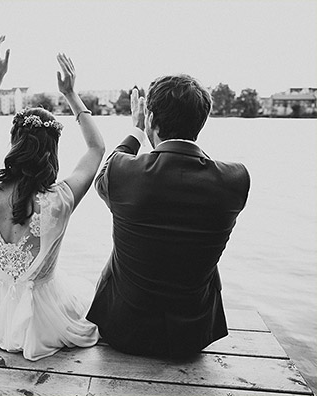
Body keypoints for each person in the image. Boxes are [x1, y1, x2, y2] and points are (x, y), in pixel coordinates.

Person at [0, 36, 106, 361]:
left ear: (14, 143)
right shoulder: (59, 200)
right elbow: (96, 149)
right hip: (44, 324)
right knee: (86, 299)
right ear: (53, 151)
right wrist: (70, 94)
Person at [86, 76, 250, 358]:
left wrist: (136, 131)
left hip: (123, 331)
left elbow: (105, 173)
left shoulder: (123, 172)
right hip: (192, 338)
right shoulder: (235, 180)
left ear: (150, 118)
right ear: (202, 121)